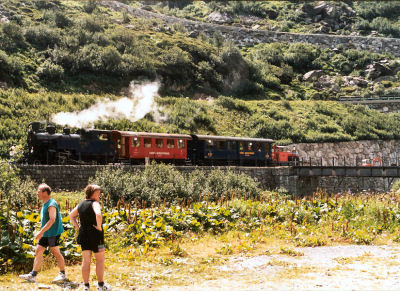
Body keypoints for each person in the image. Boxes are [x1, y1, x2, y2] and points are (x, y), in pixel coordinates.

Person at [19, 184, 67, 283]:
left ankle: (63, 274)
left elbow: (52, 219)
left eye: (39, 191)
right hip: (46, 233)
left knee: (55, 252)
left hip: (53, 233)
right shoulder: (45, 203)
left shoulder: (51, 204)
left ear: (45, 193)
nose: (37, 193)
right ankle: (33, 275)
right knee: (38, 251)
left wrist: (40, 232)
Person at [69, 184, 112, 291]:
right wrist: (98, 226)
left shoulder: (81, 204)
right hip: (96, 235)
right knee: (100, 260)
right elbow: (98, 214)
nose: (99, 195)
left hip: (84, 235)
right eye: (98, 192)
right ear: (93, 193)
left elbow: (71, 215)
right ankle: (101, 285)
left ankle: (86, 286)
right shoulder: (95, 203)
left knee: (86, 260)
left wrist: (78, 227)